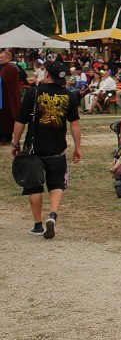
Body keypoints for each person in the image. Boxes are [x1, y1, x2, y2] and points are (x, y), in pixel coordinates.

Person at [11, 61, 82, 238]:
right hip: (57, 149)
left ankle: (37, 225)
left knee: (34, 187)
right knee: (57, 184)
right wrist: (78, 147)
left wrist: (15, 142)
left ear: (47, 74)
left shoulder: (33, 93)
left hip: (34, 150)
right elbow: (74, 124)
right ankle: (53, 215)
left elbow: (20, 121)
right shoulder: (69, 96)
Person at [0, 50, 24, 144]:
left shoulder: (8, 68)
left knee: (6, 116)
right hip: (6, 96)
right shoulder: (10, 67)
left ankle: (6, 137)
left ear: (8, 58)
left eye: (1, 58)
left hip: (6, 97)